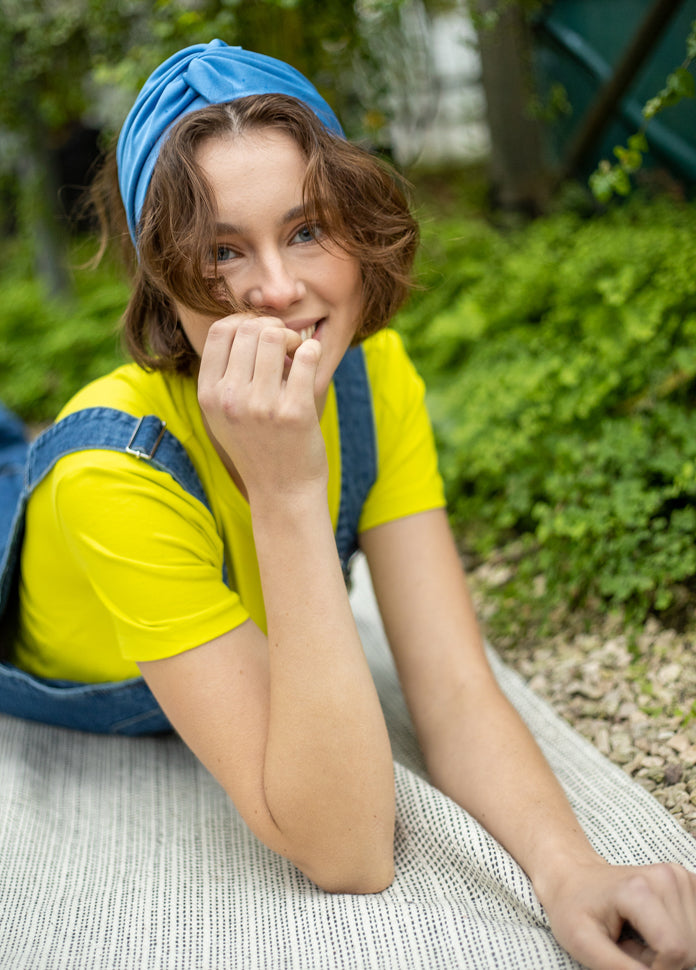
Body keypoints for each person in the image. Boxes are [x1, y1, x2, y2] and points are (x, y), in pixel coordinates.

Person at [5, 39, 696, 970]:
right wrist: (291, 489)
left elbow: (452, 688)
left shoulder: (373, 382)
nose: (279, 290)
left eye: (304, 231)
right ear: (165, 279)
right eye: (220, 251)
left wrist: (570, 869)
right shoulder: (115, 474)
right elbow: (347, 849)